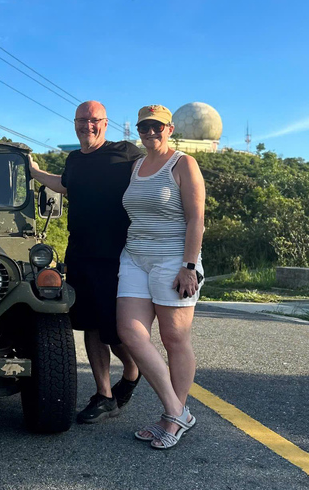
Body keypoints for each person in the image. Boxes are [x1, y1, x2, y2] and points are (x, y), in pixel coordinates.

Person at [29, 100, 143, 423]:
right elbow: (63, 185)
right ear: (75, 123)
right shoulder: (74, 160)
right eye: (82, 120)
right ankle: (104, 394)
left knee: (115, 330)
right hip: (79, 255)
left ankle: (133, 372)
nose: (87, 125)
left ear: (105, 123)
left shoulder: (125, 153)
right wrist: (35, 172)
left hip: (117, 257)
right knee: (89, 326)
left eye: (93, 120)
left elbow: (152, 176)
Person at [116, 104, 206, 449]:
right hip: (135, 257)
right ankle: (176, 410)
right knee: (130, 332)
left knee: (173, 338)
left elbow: (196, 219)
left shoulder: (183, 163)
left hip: (174, 260)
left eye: (157, 127)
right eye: (144, 128)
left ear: (170, 129)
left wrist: (189, 266)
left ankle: (172, 417)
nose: (150, 133)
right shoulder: (137, 165)